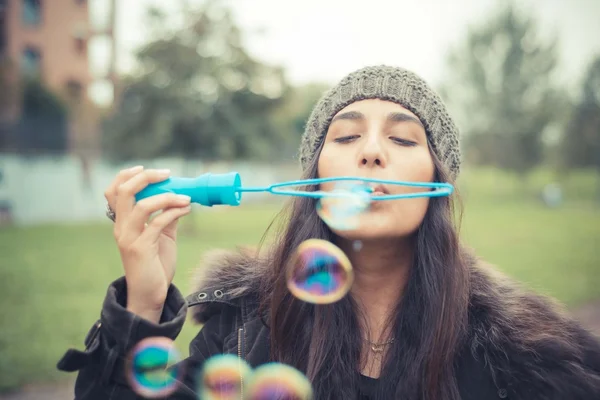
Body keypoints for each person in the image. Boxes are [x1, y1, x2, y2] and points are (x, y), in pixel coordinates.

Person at [57, 65, 600, 400]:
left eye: (404, 140)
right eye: (345, 135)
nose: (370, 150)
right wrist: (145, 303)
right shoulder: (245, 332)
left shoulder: (528, 357)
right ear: (315, 175)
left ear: (438, 183)